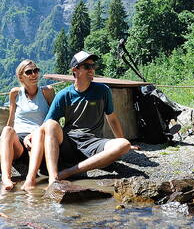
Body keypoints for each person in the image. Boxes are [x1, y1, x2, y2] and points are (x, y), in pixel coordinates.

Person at [40, 51, 138, 184]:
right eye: (87, 66)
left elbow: (112, 119)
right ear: (75, 70)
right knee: (51, 124)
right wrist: (32, 136)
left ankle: (68, 172)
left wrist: (121, 141)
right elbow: (48, 124)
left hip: (93, 142)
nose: (92, 69)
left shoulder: (103, 91)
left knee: (124, 144)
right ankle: (53, 177)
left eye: (93, 66)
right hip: (69, 142)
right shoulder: (63, 95)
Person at [0, 59, 55, 191]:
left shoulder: (47, 92)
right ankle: (6, 178)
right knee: (7, 130)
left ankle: (31, 180)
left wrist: (35, 134)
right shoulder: (15, 93)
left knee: (36, 135)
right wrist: (3, 143)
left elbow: (53, 118)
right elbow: (11, 120)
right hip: (19, 142)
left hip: (38, 137)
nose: (34, 74)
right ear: (21, 77)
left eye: (36, 71)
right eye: (29, 72)